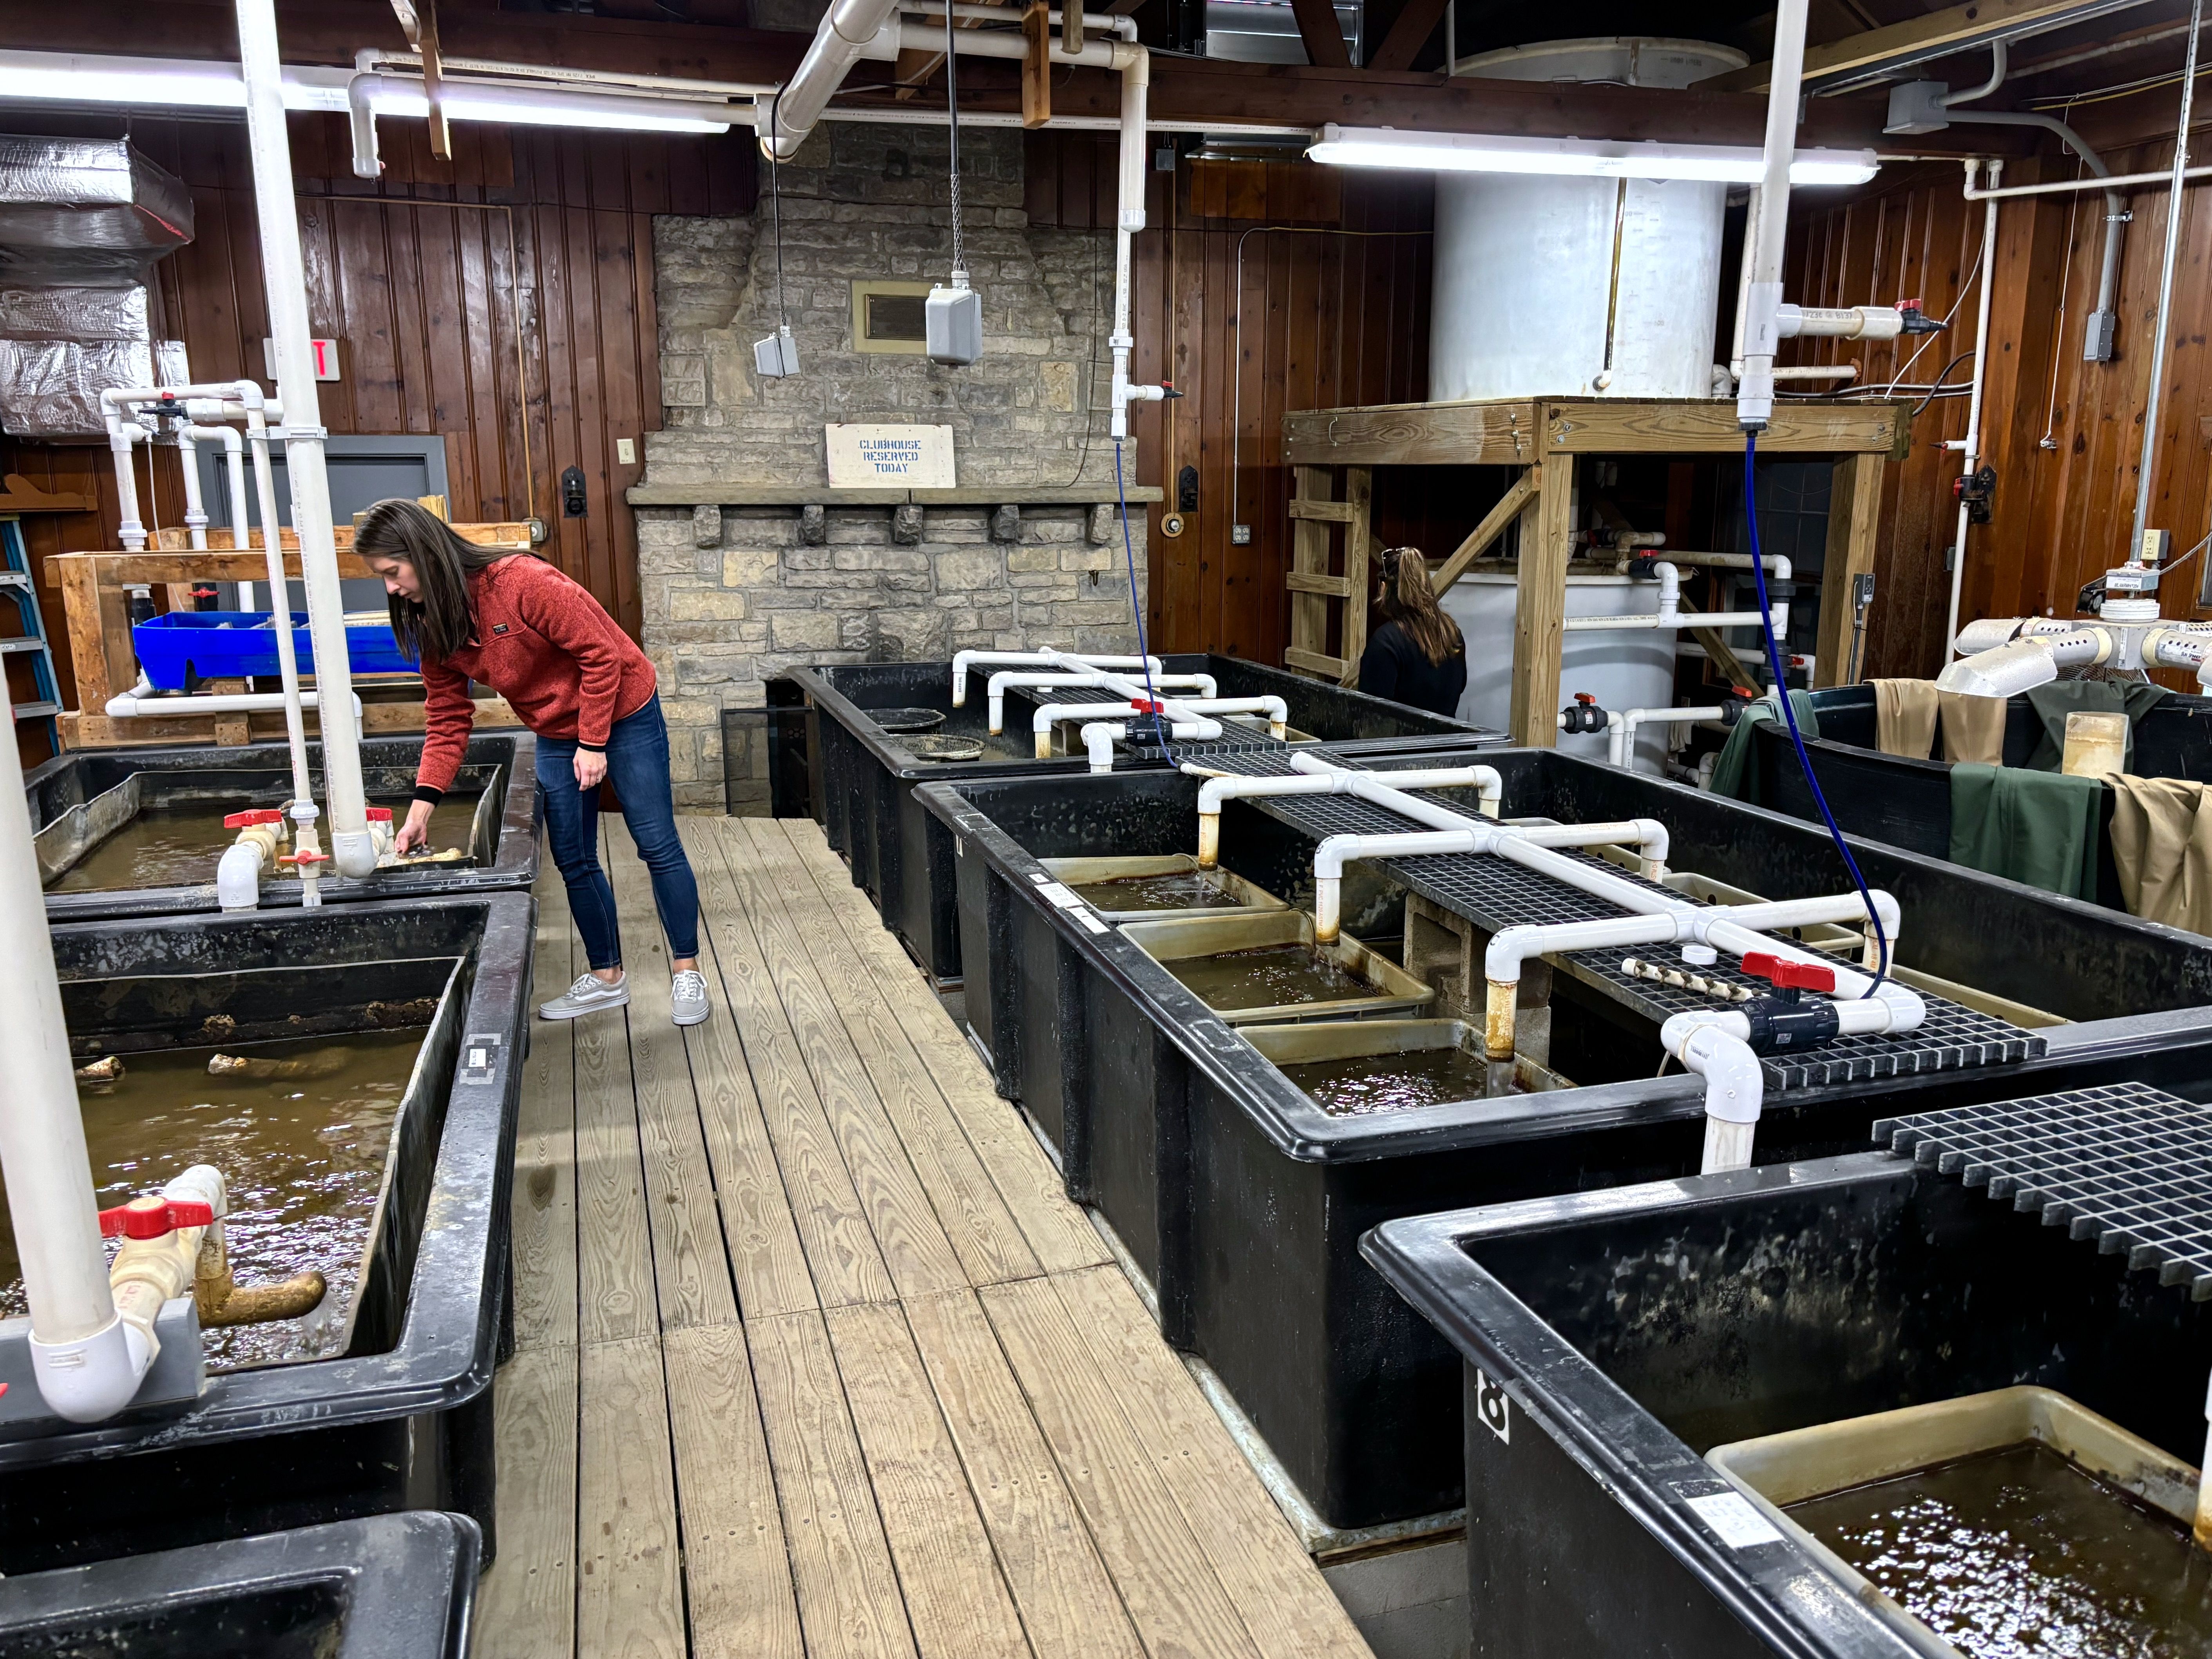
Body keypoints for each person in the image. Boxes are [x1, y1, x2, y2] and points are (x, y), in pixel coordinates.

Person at [356, 500, 710, 1028]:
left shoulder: (520, 582)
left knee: (655, 842)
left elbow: (601, 655)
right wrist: (421, 808)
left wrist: (593, 742)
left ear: (424, 553)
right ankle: (607, 977)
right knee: (572, 856)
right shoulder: (434, 625)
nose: (391, 588)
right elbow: (447, 718)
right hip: (556, 729)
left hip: (624, 709)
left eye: (393, 572)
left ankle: (687, 970)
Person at [1357, 546, 1468, 719]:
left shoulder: (1386, 641)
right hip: (1450, 736)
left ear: (1384, 588)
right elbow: (1459, 686)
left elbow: (1371, 712)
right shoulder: (1453, 635)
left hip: (1402, 737)